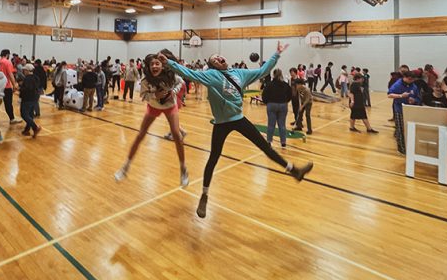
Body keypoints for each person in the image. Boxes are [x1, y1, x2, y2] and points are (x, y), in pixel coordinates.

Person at [161, 42, 314, 219]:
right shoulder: (211, 75)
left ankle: (294, 171)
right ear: (213, 66)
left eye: (219, 56)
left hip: (239, 118)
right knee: (213, 158)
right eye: (214, 59)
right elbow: (190, 73)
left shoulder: (239, 73)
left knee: (266, 147)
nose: (218, 58)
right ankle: (204, 195)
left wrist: (276, 54)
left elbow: (261, 72)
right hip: (221, 123)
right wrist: (170, 63)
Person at [114, 53, 189, 187]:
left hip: (169, 106)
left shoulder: (170, 76)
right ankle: (126, 166)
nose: (155, 66)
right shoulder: (145, 80)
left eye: (157, 63)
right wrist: (155, 95)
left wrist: (174, 91)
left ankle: (183, 169)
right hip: (153, 106)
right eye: (152, 64)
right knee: (140, 135)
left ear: (162, 65)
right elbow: (143, 95)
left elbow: (181, 82)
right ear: (148, 67)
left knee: (177, 135)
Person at [388, 71, 421, 154]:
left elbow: (418, 98)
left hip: (410, 110)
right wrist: (400, 96)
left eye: (412, 79)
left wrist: (414, 100)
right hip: (399, 109)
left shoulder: (413, 86)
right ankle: (401, 148)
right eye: (409, 79)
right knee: (400, 129)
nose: (411, 81)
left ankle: (410, 146)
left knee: (410, 128)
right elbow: (389, 95)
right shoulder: (397, 85)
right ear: (404, 77)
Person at [262, 68, 292, 149]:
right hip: (283, 105)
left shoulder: (269, 84)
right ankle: (283, 143)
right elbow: (290, 94)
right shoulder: (285, 85)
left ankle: (269, 142)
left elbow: (264, 95)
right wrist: (285, 101)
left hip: (271, 105)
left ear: (273, 75)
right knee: (282, 125)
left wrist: (266, 102)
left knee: (271, 125)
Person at [0, 49, 21, 124]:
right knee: (8, 104)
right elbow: (10, 74)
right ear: (7, 55)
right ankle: (12, 119)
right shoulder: (7, 62)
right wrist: (14, 85)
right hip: (6, 86)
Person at [19, 64, 41, 137]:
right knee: (30, 115)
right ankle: (27, 130)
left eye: (24, 70)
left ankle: (35, 128)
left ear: (27, 70)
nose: (23, 71)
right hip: (35, 98)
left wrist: (20, 88)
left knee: (24, 114)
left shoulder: (27, 78)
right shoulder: (36, 77)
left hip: (27, 99)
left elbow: (27, 89)